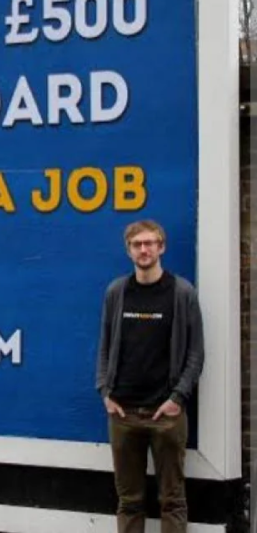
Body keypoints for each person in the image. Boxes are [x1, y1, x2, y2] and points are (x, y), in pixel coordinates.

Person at [96, 219, 205, 533]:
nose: (144, 250)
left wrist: (177, 398)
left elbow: (196, 354)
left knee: (173, 500)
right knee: (129, 501)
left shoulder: (182, 292)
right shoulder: (117, 292)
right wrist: (104, 390)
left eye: (150, 243)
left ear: (161, 247)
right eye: (137, 244)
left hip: (166, 415)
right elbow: (104, 345)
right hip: (123, 413)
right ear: (128, 250)